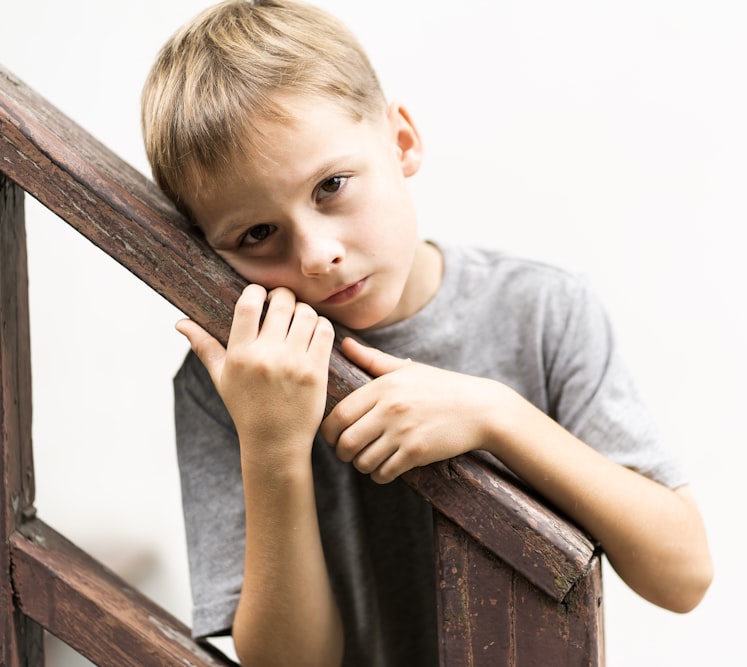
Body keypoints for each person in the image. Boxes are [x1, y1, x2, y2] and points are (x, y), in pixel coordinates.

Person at [141, 1, 713, 665]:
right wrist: (272, 445)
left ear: (402, 142)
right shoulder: (232, 383)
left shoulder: (542, 310)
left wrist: (497, 415)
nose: (318, 253)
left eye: (331, 186)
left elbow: (683, 574)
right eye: (258, 234)